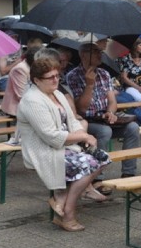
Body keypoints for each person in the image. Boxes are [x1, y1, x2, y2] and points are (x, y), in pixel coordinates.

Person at [18, 57, 110, 232]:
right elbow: (51, 137)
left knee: (103, 157)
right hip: (45, 150)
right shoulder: (32, 100)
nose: (55, 80)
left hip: (65, 146)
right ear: (36, 80)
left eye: (57, 76)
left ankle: (61, 198)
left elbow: (72, 122)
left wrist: (85, 135)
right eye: (50, 77)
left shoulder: (57, 94)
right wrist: (83, 136)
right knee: (88, 163)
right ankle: (68, 214)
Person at [68, 40, 140, 178]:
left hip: (105, 119)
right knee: (104, 131)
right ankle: (97, 177)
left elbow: (112, 101)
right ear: (83, 55)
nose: (100, 55)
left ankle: (129, 173)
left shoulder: (104, 74)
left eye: (100, 52)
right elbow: (81, 110)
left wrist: (110, 113)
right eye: (95, 52)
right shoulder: (73, 76)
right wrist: (89, 85)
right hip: (86, 122)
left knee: (133, 128)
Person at [1, 47, 40, 117]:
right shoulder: (20, 69)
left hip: (32, 103)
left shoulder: (33, 67)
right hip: (17, 108)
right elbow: (21, 96)